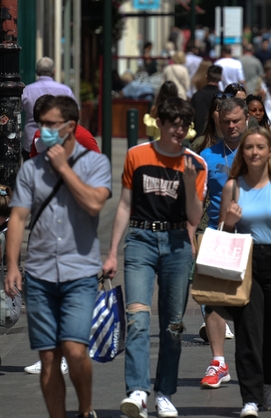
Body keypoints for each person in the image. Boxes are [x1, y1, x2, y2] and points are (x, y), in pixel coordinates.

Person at [4, 95, 112, 418]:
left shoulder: (96, 163)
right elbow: (18, 219)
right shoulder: (30, 170)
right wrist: (12, 264)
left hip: (79, 272)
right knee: (49, 357)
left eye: (52, 125)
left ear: (70, 127)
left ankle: (85, 407)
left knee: (76, 350)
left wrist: (64, 168)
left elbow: (94, 204)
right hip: (39, 275)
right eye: (41, 125)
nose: (43, 132)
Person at [103, 98, 207, 418]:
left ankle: (164, 392)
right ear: (159, 123)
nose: (179, 130)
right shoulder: (137, 155)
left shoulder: (196, 164)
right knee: (138, 319)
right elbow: (124, 204)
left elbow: (194, 216)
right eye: (172, 123)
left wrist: (189, 185)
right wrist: (111, 253)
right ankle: (137, 390)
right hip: (140, 240)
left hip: (177, 243)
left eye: (184, 124)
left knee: (173, 326)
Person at [218, 127, 271, 416]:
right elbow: (222, 233)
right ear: (243, 152)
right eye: (249, 147)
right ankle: (251, 398)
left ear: (270, 152)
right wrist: (229, 222)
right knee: (248, 331)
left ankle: (269, 382)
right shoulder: (234, 186)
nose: (254, 152)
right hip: (247, 260)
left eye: (260, 147)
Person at [196, 98, 249, 391]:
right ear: (218, 121)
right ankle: (218, 362)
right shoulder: (207, 156)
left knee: (252, 305)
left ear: (246, 121)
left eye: (237, 121)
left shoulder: (260, 151)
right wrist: (192, 235)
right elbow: (197, 200)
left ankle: (251, 360)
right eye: (226, 121)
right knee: (213, 302)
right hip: (220, 236)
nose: (231, 126)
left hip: (255, 238)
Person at [21, 57, 76, 160]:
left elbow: (15, 111)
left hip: (31, 141)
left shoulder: (26, 90)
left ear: (37, 72)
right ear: (54, 71)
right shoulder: (65, 90)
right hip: (59, 141)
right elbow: (75, 113)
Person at [28, 94, 100, 159]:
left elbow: (97, 163)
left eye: (50, 123)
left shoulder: (83, 136)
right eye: (40, 124)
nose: (44, 129)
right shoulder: (38, 135)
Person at [191, 65, 223, 134]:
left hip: (199, 136)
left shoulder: (197, 96)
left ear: (206, 77)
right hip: (217, 136)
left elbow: (191, 117)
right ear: (220, 78)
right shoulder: (223, 98)